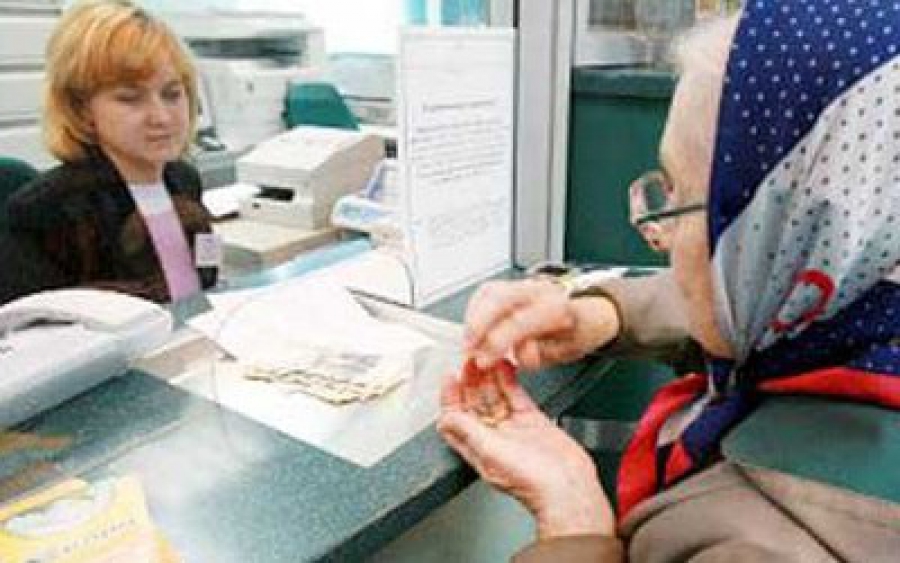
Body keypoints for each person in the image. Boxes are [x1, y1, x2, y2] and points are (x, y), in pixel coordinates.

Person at [439, 2, 900, 561]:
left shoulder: (753, 545)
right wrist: (601, 314)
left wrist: (574, 522)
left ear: (781, 239)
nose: (657, 238)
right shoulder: (864, 311)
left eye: (679, 199)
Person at [6, 0, 216, 304]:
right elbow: (35, 326)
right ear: (81, 109)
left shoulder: (184, 179)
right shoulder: (46, 211)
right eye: (130, 99)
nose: (161, 117)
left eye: (172, 94)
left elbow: (203, 278)